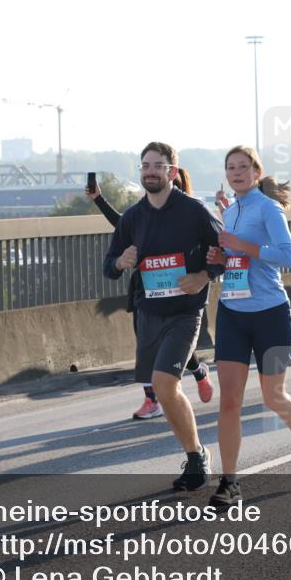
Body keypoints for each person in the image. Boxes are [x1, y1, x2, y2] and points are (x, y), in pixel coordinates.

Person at [103, 142, 223, 490]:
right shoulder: (132, 218)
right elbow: (109, 266)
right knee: (163, 388)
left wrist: (203, 276)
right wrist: (120, 262)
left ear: (172, 172)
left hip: (185, 313)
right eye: (145, 166)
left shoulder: (194, 211)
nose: (150, 171)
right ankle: (195, 452)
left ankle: (197, 458)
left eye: (158, 165)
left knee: (165, 383)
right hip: (148, 311)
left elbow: (225, 251)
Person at [206, 146, 291, 507]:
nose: (236, 173)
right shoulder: (231, 211)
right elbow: (235, 259)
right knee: (230, 401)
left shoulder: (269, 208)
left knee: (272, 396)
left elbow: (286, 255)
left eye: (243, 167)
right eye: (230, 168)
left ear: (256, 172)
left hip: (270, 313)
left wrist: (242, 246)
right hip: (233, 313)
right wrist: (221, 258)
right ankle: (229, 482)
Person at [86, 170, 215, 419]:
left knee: (174, 347)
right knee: (148, 347)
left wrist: (203, 275)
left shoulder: (190, 214)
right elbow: (123, 223)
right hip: (146, 294)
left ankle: (198, 373)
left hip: (181, 301)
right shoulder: (142, 215)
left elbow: (218, 247)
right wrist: (99, 200)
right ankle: (151, 399)